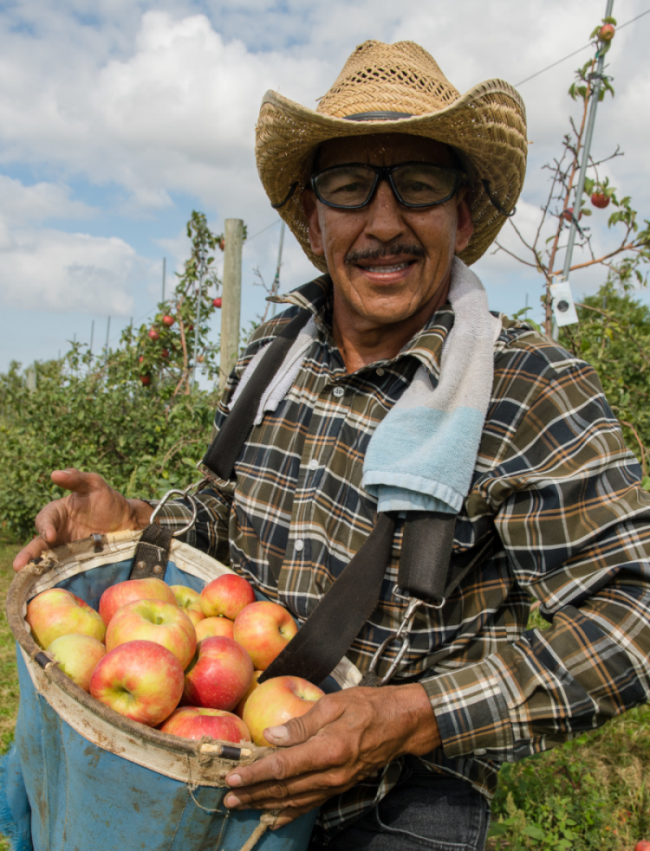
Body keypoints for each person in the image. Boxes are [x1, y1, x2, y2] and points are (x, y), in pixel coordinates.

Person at [14, 40, 650, 851]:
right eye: (350, 188)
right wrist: (134, 520)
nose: (383, 221)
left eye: (418, 183)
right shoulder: (275, 353)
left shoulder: (526, 387)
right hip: (221, 766)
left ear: (461, 213)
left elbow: (637, 613)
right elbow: (220, 512)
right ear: (315, 222)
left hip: (391, 803)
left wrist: (412, 717)